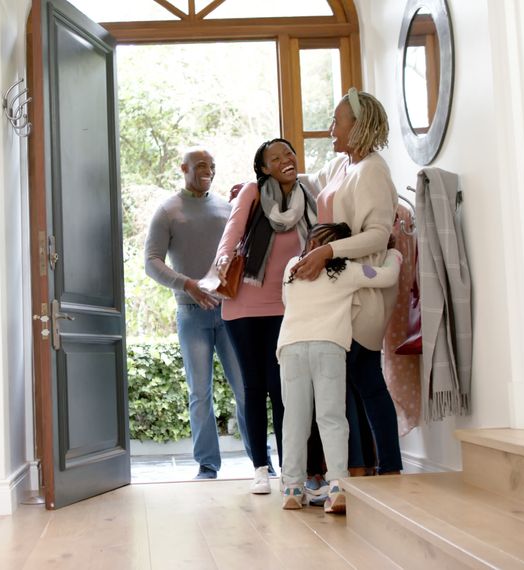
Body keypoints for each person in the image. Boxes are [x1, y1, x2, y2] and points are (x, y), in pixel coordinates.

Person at [293, 88, 404, 476]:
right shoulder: (344, 166)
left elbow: (377, 234)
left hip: (365, 289)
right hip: (341, 290)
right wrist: (262, 185)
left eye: (337, 122)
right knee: (357, 379)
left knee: (358, 378)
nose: (330, 129)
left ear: (359, 126)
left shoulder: (373, 169)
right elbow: (312, 182)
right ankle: (369, 470)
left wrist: (327, 252)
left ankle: (370, 470)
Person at [215, 138, 317, 494]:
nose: (286, 159)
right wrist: (223, 259)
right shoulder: (252, 193)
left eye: (288, 153)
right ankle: (260, 467)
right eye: (275, 157)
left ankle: (292, 468)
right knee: (255, 386)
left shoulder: (309, 196)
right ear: (263, 168)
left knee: (283, 387)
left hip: (287, 306)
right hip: (243, 305)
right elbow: (233, 230)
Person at [277, 222, 402, 513]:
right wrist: (394, 252)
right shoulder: (347, 271)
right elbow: (387, 276)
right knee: (331, 418)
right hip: (329, 347)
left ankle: (293, 489)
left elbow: (286, 302)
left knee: (294, 420)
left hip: (292, 348)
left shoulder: (291, 268)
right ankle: (337, 487)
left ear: (309, 245)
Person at [144, 146, 252, 480]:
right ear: (184, 168)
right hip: (191, 315)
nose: (208, 170)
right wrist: (187, 284)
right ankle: (207, 465)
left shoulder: (226, 207)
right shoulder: (168, 211)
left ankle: (261, 460)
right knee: (199, 392)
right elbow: (151, 262)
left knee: (246, 387)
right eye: (201, 165)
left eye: (212, 165)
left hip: (231, 313)